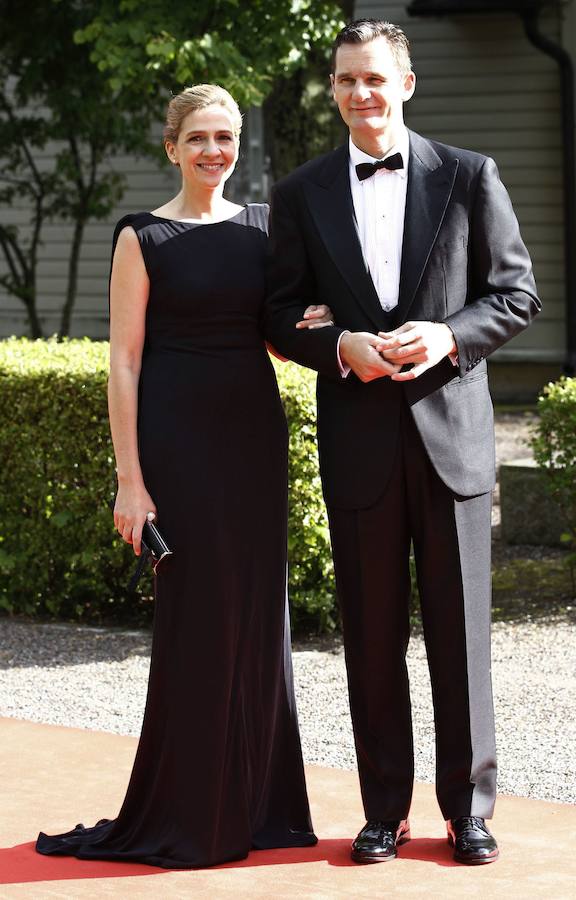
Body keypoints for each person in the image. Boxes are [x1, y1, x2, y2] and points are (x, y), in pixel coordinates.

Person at [265, 19, 541, 866]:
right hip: (359, 446)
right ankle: (384, 809)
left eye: (376, 79)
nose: (361, 95)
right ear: (335, 90)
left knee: (461, 645)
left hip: (451, 444)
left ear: (407, 83)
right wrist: (338, 347)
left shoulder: (468, 175)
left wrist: (448, 337)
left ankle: (469, 812)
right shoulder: (302, 191)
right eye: (347, 81)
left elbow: (515, 294)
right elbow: (278, 315)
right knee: (372, 641)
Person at [36, 84, 331, 869]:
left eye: (226, 137)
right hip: (177, 444)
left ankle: (260, 807)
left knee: (260, 622)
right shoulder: (143, 236)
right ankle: (190, 811)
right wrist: (129, 481)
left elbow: (275, 332)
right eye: (197, 137)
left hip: (252, 440)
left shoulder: (267, 231)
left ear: (241, 146)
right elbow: (124, 363)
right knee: (198, 625)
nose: (213, 151)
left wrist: (323, 324)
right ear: (171, 146)